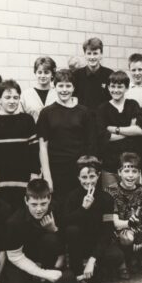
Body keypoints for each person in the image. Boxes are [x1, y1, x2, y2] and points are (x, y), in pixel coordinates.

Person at [37, 68, 97, 203]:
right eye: (61, 86)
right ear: (54, 86)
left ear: (74, 88)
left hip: (79, 171)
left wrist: (87, 174)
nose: (64, 90)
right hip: (56, 170)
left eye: (68, 86)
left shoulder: (84, 112)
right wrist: (47, 177)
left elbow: (91, 144)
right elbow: (43, 147)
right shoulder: (46, 113)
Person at [0, 79, 39, 211]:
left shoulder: (27, 120)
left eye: (15, 97)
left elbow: (35, 151)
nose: (12, 101)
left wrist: (34, 173)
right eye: (7, 97)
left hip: (23, 181)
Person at [1, 179, 63, 283]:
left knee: (51, 239)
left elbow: (64, 240)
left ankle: (45, 281)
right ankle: (36, 276)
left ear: (49, 199)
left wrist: (54, 229)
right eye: (34, 204)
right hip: (20, 257)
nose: (39, 209)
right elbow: (14, 256)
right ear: (26, 201)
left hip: (41, 253)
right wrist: (42, 273)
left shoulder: (55, 209)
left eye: (43, 203)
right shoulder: (15, 222)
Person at [61, 156, 115, 283]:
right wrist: (83, 208)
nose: (88, 181)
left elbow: (108, 231)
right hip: (77, 245)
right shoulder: (71, 197)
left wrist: (93, 259)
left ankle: (92, 266)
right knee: (72, 230)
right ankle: (80, 279)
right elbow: (65, 224)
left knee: (116, 257)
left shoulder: (106, 198)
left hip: (96, 245)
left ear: (98, 176)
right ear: (78, 178)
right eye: (84, 177)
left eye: (92, 176)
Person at [104, 152, 142, 278]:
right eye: (126, 171)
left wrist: (140, 231)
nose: (130, 175)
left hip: (137, 229)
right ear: (119, 172)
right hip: (118, 230)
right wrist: (129, 225)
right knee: (126, 237)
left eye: (134, 171)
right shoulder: (111, 191)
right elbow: (115, 222)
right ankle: (123, 263)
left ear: (139, 173)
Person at [95, 70, 142, 189]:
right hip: (110, 166)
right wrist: (129, 131)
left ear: (126, 88)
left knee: (134, 200)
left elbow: (139, 131)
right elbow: (104, 137)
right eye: (112, 86)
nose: (115, 90)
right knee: (111, 201)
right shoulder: (102, 109)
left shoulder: (133, 105)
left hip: (131, 166)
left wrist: (114, 129)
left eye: (120, 87)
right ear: (108, 87)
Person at [73, 37, 113, 113]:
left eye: (95, 53)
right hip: (82, 121)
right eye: (89, 53)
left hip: (103, 120)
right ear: (84, 55)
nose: (92, 57)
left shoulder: (110, 75)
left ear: (101, 55)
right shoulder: (76, 75)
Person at [21, 56, 58, 122]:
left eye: (46, 72)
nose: (43, 76)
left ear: (52, 74)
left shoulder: (57, 93)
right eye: (39, 72)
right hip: (32, 131)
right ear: (35, 73)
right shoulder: (26, 95)